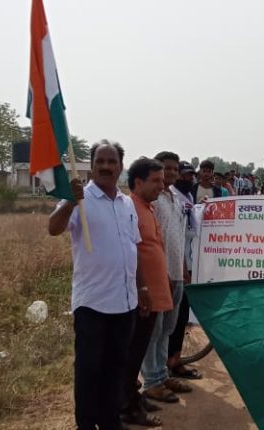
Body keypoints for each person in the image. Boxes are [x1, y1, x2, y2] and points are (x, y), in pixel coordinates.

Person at [48, 141, 139, 430]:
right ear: (91, 165)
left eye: (112, 162)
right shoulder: (80, 198)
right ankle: (86, 424)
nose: (106, 167)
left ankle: (110, 421)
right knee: (89, 370)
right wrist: (70, 202)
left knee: (116, 367)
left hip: (125, 302)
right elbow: (53, 228)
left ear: (121, 167)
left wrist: (142, 289)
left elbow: (133, 247)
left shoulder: (127, 203)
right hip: (93, 304)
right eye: (100, 161)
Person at [120, 157, 173, 427]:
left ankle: (133, 397)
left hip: (153, 294)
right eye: (156, 181)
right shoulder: (129, 208)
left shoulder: (148, 208)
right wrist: (141, 289)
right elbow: (130, 253)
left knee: (138, 351)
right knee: (132, 354)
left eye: (162, 181)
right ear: (138, 182)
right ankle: (127, 407)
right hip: (141, 297)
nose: (162, 186)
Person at [141, 152, 193, 404]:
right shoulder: (153, 200)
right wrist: (163, 274)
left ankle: (162, 375)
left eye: (174, 169)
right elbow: (152, 241)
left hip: (176, 274)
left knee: (166, 330)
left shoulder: (175, 198)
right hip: (160, 276)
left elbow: (178, 238)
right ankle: (151, 381)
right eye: (166, 168)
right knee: (154, 330)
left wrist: (182, 268)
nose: (171, 173)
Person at [168, 162, 202, 380]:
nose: (189, 179)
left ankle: (175, 360)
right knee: (171, 320)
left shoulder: (188, 197)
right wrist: (181, 267)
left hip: (187, 263)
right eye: (185, 175)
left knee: (180, 318)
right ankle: (165, 364)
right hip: (175, 267)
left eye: (191, 175)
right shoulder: (172, 197)